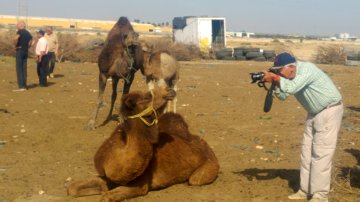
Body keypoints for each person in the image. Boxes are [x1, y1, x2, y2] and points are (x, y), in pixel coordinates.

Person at [262, 52, 343, 202]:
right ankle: (304, 190)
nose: (278, 73)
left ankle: (320, 195)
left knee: (321, 154)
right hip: (314, 113)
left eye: (279, 70)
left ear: (291, 67)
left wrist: (275, 78)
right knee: (306, 154)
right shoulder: (291, 75)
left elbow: (291, 88)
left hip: (329, 111)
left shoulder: (307, 70)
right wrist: (272, 83)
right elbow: (283, 95)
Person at [13, 21, 34, 91]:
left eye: (17, 25)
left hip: (20, 50)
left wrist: (15, 45)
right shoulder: (28, 33)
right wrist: (29, 46)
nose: (16, 26)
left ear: (21, 26)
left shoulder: (20, 32)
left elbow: (16, 38)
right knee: (24, 69)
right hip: (25, 51)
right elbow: (33, 40)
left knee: (19, 69)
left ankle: (21, 86)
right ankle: (24, 85)